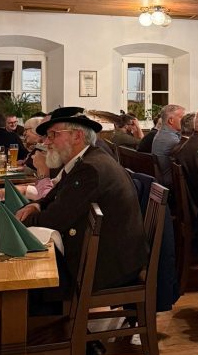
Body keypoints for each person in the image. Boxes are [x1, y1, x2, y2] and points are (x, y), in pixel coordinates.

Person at [16, 112, 148, 299]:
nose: (46, 142)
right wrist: (36, 205)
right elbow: (55, 195)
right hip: (106, 254)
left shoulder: (90, 169)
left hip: (107, 265)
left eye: (53, 135)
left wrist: (17, 222)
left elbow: (54, 220)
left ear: (77, 136)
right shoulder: (85, 160)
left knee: (26, 278)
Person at [151, 104, 185, 187]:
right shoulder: (172, 140)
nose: (185, 122)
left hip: (162, 181)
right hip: (172, 185)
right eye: (182, 118)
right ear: (171, 120)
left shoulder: (161, 133)